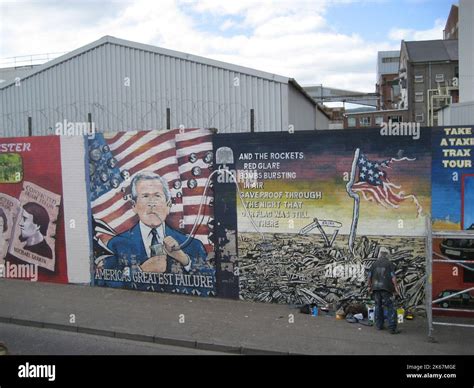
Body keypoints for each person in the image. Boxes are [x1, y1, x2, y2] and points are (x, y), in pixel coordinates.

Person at [101, 171, 207, 286]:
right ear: (134, 206)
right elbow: (104, 283)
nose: (152, 203)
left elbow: (209, 283)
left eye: (157, 196)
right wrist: (140, 271)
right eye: (145, 196)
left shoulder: (193, 246)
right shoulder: (116, 245)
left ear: (168, 205)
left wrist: (185, 261)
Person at [368, 247, 401, 334]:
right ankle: (392, 328)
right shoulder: (389, 264)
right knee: (391, 307)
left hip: (375, 288)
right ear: (387, 255)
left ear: (380, 255)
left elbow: (369, 277)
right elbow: (393, 277)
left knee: (378, 306)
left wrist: (369, 287)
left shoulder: (374, 264)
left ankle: (379, 325)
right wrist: (396, 288)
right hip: (386, 288)